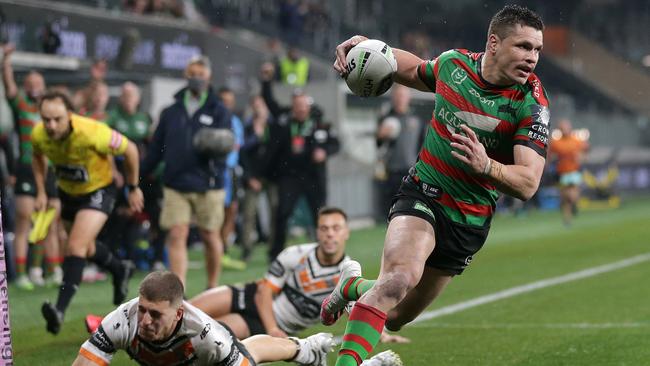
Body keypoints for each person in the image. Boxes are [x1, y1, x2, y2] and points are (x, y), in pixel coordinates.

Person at [321, 5, 550, 365]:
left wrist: (486, 165)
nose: (532, 58)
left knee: (396, 314)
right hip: (424, 193)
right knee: (398, 280)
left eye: (536, 50)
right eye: (523, 46)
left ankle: (352, 286)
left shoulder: (530, 104)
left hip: (469, 221)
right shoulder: (454, 65)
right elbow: (410, 68)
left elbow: (528, 183)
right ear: (494, 43)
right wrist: (369, 46)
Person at [189, 207, 409, 345]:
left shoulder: (348, 274)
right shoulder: (295, 254)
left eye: (335, 228)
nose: (330, 234)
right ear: (317, 231)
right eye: (324, 228)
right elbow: (265, 291)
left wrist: (383, 335)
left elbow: (359, 309)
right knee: (185, 311)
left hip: (260, 323)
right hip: (251, 297)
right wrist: (272, 329)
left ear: (346, 232)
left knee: (204, 336)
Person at [32, 91, 144, 335]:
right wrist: (41, 191)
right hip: (68, 193)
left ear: (69, 115)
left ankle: (59, 310)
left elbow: (131, 150)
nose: (51, 125)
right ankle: (119, 268)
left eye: (57, 119)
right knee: (85, 247)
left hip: (99, 191)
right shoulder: (39, 133)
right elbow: (37, 156)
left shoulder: (93, 131)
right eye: (46, 119)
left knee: (74, 247)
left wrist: (133, 187)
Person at [72, 271, 338, 366]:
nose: (144, 321)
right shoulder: (122, 320)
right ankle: (306, 349)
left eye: (155, 314)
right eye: (142, 309)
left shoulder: (208, 338)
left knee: (250, 351)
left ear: (178, 313)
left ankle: (303, 349)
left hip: (209, 356)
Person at [140, 55, 231, 288]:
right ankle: (179, 291)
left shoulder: (219, 110)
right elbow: (156, 149)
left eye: (201, 74)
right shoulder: (170, 111)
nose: (196, 78)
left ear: (209, 77)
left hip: (209, 184)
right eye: (192, 73)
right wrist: (138, 177)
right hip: (175, 183)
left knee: (210, 236)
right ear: (185, 75)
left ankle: (212, 287)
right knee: (177, 233)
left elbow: (228, 145)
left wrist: (215, 166)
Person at [261, 62, 340, 262]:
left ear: (309, 106)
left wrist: (324, 152)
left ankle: (325, 250)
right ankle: (275, 253)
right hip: (290, 176)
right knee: (283, 213)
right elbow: (269, 102)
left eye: (303, 106)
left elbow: (336, 143)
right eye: (297, 107)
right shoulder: (285, 120)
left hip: (314, 175)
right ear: (293, 107)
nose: (300, 110)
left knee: (320, 215)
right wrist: (266, 81)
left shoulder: (319, 122)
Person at [2, 43, 62, 289]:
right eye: (31, 83)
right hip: (26, 167)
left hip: (49, 171)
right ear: (26, 87)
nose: (35, 87)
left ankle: (47, 269)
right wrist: (6, 61)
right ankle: (23, 273)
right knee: (25, 218)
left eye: (39, 83)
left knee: (49, 220)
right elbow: (9, 87)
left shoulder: (53, 111)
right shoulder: (22, 106)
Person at [374, 84, 426, 221]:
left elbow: (423, 145)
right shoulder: (385, 119)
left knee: (410, 207)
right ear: (392, 97)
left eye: (402, 95)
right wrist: (380, 136)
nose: (400, 99)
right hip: (390, 170)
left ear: (408, 97)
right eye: (397, 95)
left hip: (411, 171)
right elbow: (378, 145)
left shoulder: (416, 119)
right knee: (389, 207)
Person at [548, 119, 588, 226]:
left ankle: (575, 204)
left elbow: (585, 151)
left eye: (566, 127)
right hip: (562, 172)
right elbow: (550, 155)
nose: (565, 129)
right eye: (562, 127)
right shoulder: (556, 142)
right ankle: (567, 220)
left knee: (572, 194)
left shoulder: (576, 140)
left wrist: (581, 158)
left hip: (574, 170)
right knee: (565, 198)